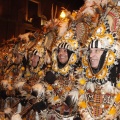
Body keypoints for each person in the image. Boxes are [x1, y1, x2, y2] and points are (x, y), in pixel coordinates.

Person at [78, 13, 120, 120]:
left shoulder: (117, 84)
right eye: (90, 51)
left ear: (108, 54)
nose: (91, 55)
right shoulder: (84, 82)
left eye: (97, 51)